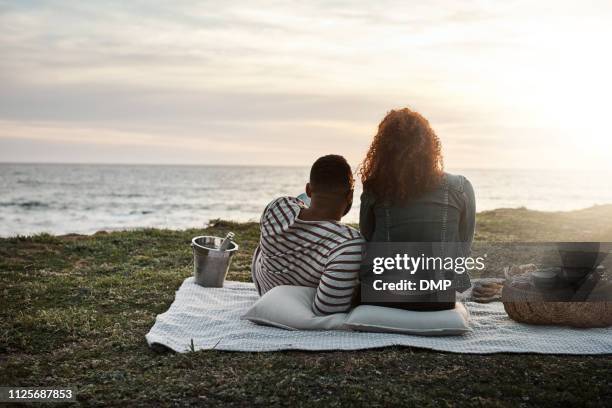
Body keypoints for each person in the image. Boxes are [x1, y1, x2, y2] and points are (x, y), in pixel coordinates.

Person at [359, 108, 475, 310]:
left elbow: (367, 236)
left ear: (383, 149)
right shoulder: (460, 188)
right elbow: (463, 248)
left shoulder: (374, 188)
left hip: (381, 297)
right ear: (430, 146)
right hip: (439, 300)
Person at [251, 155, 365, 315]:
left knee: (300, 201)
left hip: (264, 289)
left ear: (309, 189)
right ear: (350, 196)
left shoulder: (277, 207)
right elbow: (327, 310)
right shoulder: (349, 244)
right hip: (298, 300)